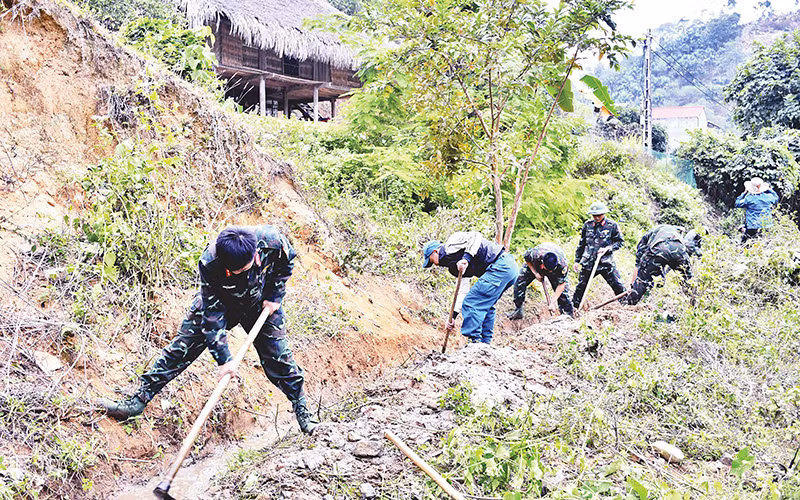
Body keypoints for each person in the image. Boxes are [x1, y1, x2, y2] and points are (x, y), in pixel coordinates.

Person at [101, 226, 318, 435]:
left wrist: (274, 295)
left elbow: (286, 261)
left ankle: (304, 413)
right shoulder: (210, 263)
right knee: (180, 349)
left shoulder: (271, 240)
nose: (252, 266)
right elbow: (212, 317)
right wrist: (224, 360)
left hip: (261, 302)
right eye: (242, 270)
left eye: (253, 261)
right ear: (227, 267)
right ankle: (137, 401)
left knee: (279, 357)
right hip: (222, 304)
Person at [422, 232, 517, 344]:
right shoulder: (454, 267)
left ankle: (474, 343)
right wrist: (453, 316)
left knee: (472, 302)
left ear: (435, 251)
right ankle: (485, 345)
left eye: (431, 261)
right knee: (487, 305)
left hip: (501, 265)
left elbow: (475, 236)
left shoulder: (451, 244)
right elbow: (462, 292)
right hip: (509, 269)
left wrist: (466, 258)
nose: (435, 265)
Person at [626, 225, 702, 305]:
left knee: (643, 281)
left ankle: (629, 305)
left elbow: (638, 263)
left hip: (659, 249)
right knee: (688, 279)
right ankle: (692, 306)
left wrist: (632, 285)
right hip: (680, 251)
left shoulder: (649, 234)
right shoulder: (674, 232)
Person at [572, 201, 626, 310]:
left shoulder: (612, 226)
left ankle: (627, 306)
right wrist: (577, 261)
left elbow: (620, 242)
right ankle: (572, 311)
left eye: (599, 215)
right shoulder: (587, 225)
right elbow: (582, 244)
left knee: (618, 286)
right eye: (594, 215)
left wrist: (607, 249)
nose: (596, 217)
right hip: (588, 263)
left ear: (604, 214)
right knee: (580, 288)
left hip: (606, 263)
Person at [507, 242, 574, 319]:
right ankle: (518, 310)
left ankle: (568, 317)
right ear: (542, 263)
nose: (547, 272)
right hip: (535, 265)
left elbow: (561, 285)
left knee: (563, 295)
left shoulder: (562, 266)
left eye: (549, 271)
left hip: (555, 271)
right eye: (545, 268)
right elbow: (527, 259)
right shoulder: (535, 254)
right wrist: (535, 273)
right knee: (519, 280)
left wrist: (552, 302)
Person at [734, 177, 779, 243]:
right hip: (766, 225)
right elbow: (776, 197)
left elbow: (737, 203)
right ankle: (744, 229)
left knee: (745, 245)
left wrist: (744, 193)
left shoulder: (748, 199)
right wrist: (769, 189)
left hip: (752, 226)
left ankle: (744, 230)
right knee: (765, 243)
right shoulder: (769, 197)